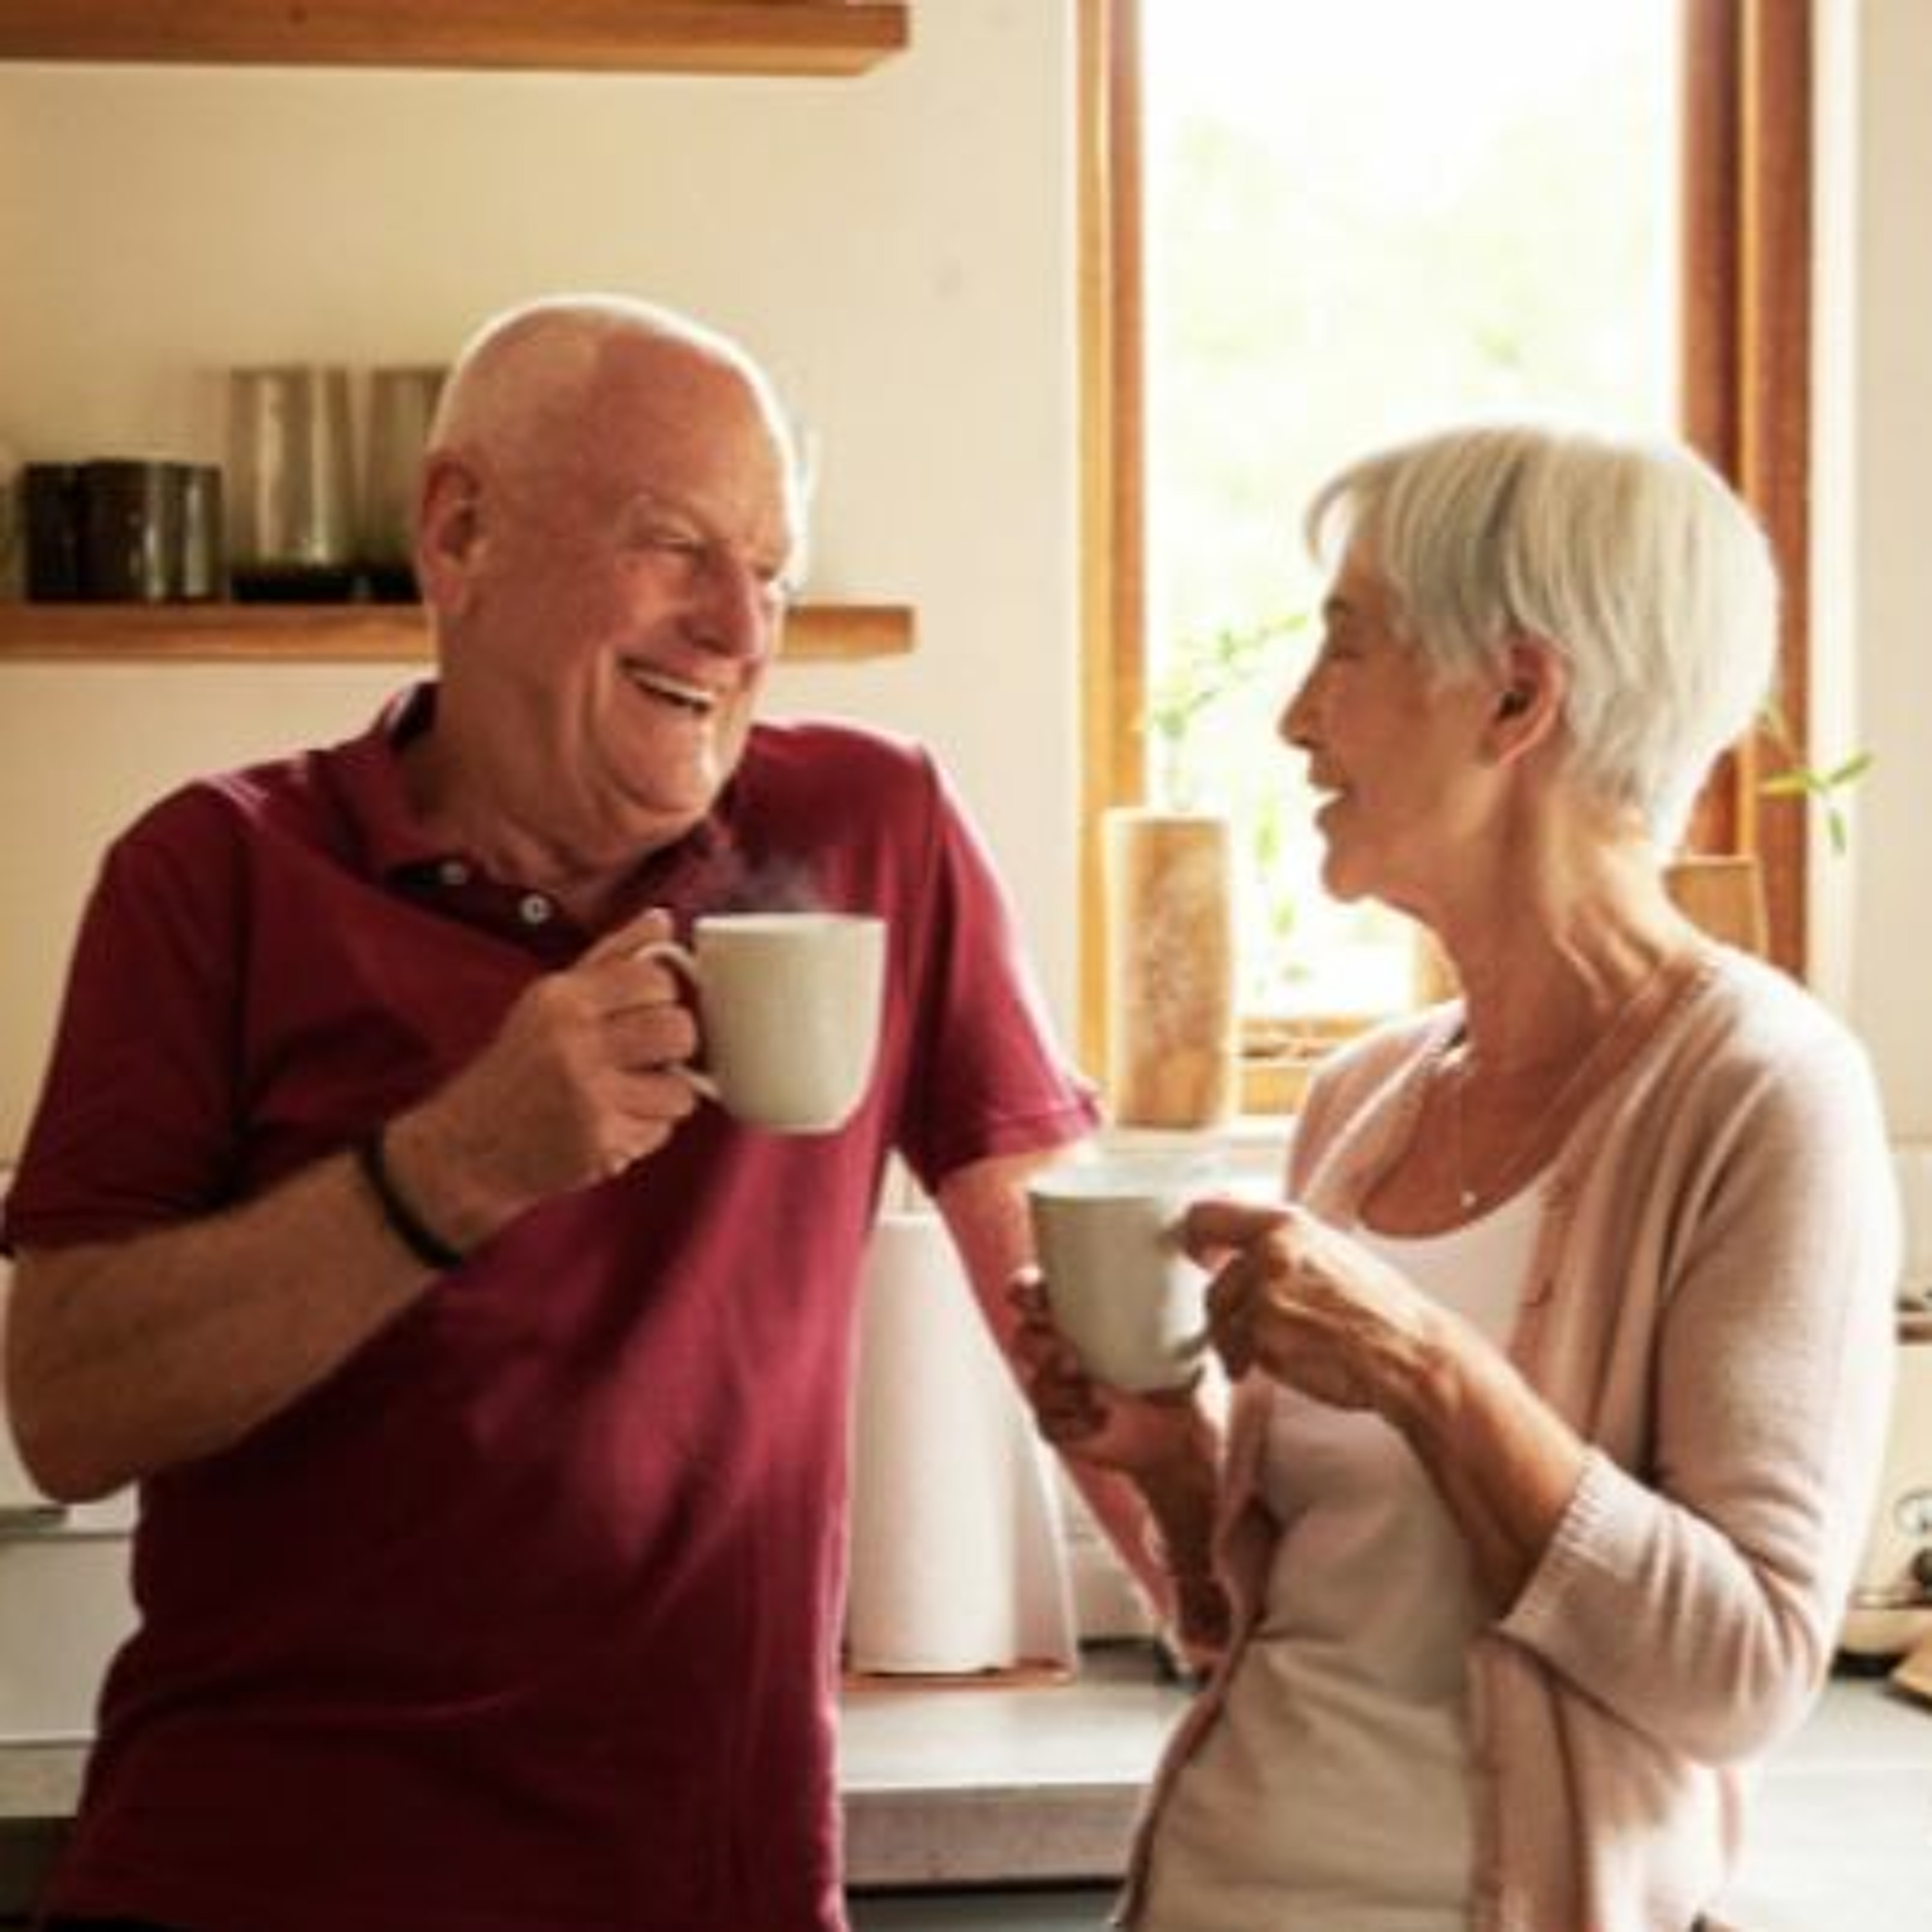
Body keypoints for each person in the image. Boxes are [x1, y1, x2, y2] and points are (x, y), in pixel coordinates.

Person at [1, 293, 1106, 1932]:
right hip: (254, 1884)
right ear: (460, 530)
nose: (739, 629)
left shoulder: (878, 830)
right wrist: (454, 1167)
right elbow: (68, 1405)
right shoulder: (214, 872)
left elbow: (1068, 1309)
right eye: (676, 547)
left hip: (703, 1895)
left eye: (775, 573)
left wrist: (1263, 1653)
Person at [1016, 422, 1900, 1931]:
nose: (1299, 719)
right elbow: (1291, 1639)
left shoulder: (1763, 1092)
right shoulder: (1365, 1098)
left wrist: (1424, 1365)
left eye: (1344, 648)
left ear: (1516, 695)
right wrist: (1170, 1460)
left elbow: (1742, 1669)